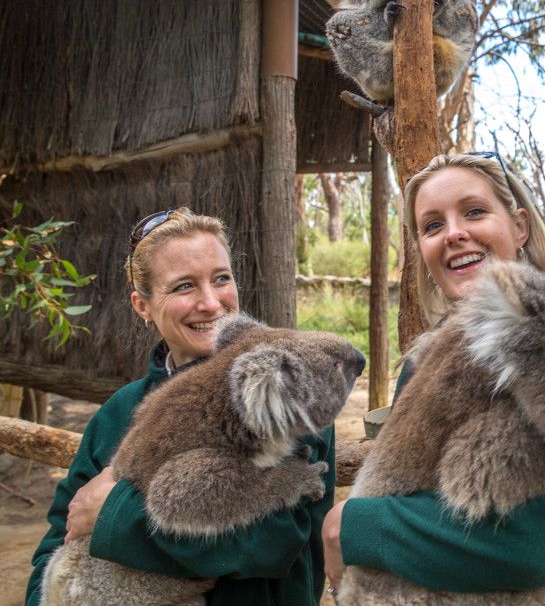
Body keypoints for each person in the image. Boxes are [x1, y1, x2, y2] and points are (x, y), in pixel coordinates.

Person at [322, 152, 545, 605]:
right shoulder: (429, 357)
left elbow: (535, 549)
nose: (454, 233)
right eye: (432, 226)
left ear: (520, 226)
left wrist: (354, 526)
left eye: (474, 212)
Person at [25, 208, 335, 606]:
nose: (210, 303)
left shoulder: (285, 392)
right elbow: (59, 537)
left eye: (221, 279)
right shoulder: (119, 413)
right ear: (142, 305)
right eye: (184, 286)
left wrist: (115, 515)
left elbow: (269, 542)